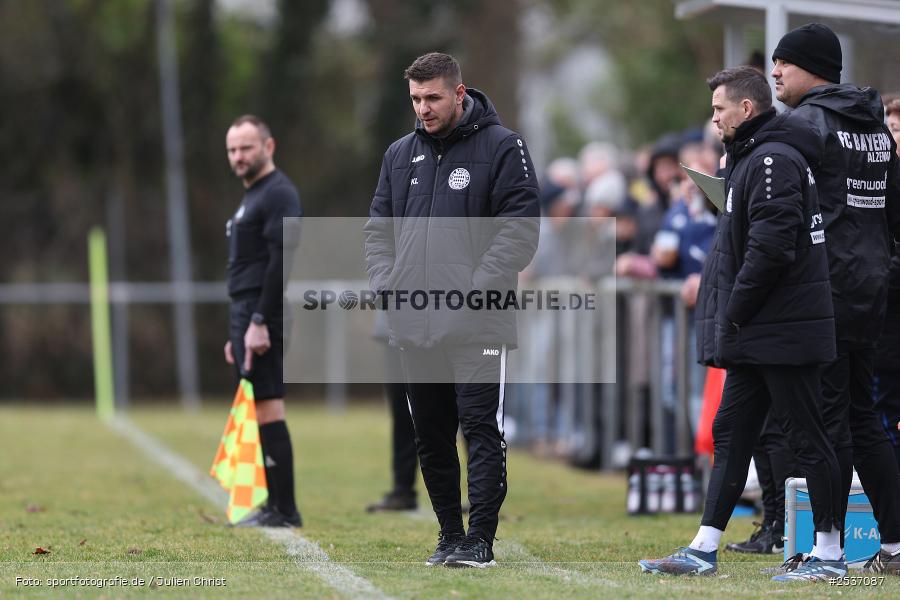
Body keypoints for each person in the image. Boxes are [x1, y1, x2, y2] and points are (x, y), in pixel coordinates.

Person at [639, 66, 844, 582]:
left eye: (719, 110)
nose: (713, 121)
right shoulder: (752, 156)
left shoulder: (773, 159)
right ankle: (704, 547)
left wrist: (734, 311)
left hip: (782, 328)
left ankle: (831, 554)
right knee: (731, 431)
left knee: (807, 436)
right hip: (761, 330)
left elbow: (771, 250)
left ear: (746, 110)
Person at [364, 52, 539, 568]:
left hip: (479, 321)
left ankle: (480, 539)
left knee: (481, 429)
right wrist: (385, 284)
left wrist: (473, 289)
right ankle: (448, 535)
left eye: (433, 97)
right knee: (431, 433)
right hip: (415, 322)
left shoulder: (504, 147)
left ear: (459, 93)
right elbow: (379, 229)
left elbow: (520, 231)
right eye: (416, 99)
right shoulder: (399, 154)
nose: (423, 108)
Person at [770, 23, 900, 575]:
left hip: (823, 290)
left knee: (824, 423)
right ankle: (894, 547)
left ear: (812, 67)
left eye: (784, 63)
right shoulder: (874, 126)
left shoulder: (805, 124)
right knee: (864, 418)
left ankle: (827, 551)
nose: (774, 72)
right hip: (871, 287)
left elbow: (788, 207)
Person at [223, 114, 302, 528]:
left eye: (246, 148)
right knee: (256, 407)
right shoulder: (251, 195)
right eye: (233, 150)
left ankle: (285, 509)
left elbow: (280, 261)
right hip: (247, 311)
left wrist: (257, 321)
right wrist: (236, 329)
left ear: (267, 148)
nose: (238, 156)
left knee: (269, 407)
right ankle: (272, 505)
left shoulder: (278, 193)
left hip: (263, 311)